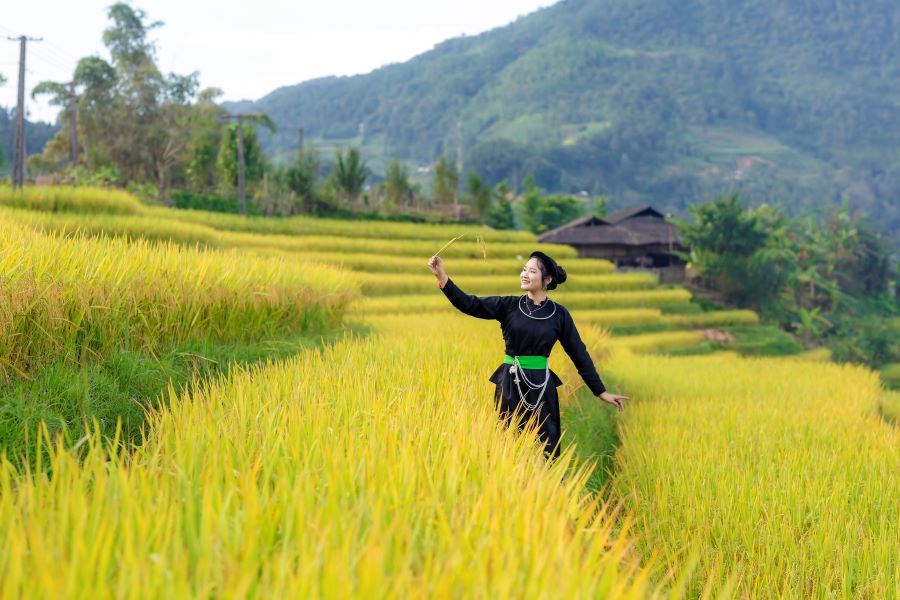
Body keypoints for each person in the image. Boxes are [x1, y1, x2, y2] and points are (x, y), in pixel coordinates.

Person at [426, 250, 629, 461]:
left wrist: (600, 392)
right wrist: (441, 276)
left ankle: (550, 489)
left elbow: (579, 354)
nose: (524, 274)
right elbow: (470, 304)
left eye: (531, 271)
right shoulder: (509, 306)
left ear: (547, 279)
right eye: (524, 269)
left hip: (542, 388)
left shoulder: (559, 315)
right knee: (506, 444)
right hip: (509, 384)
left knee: (547, 448)